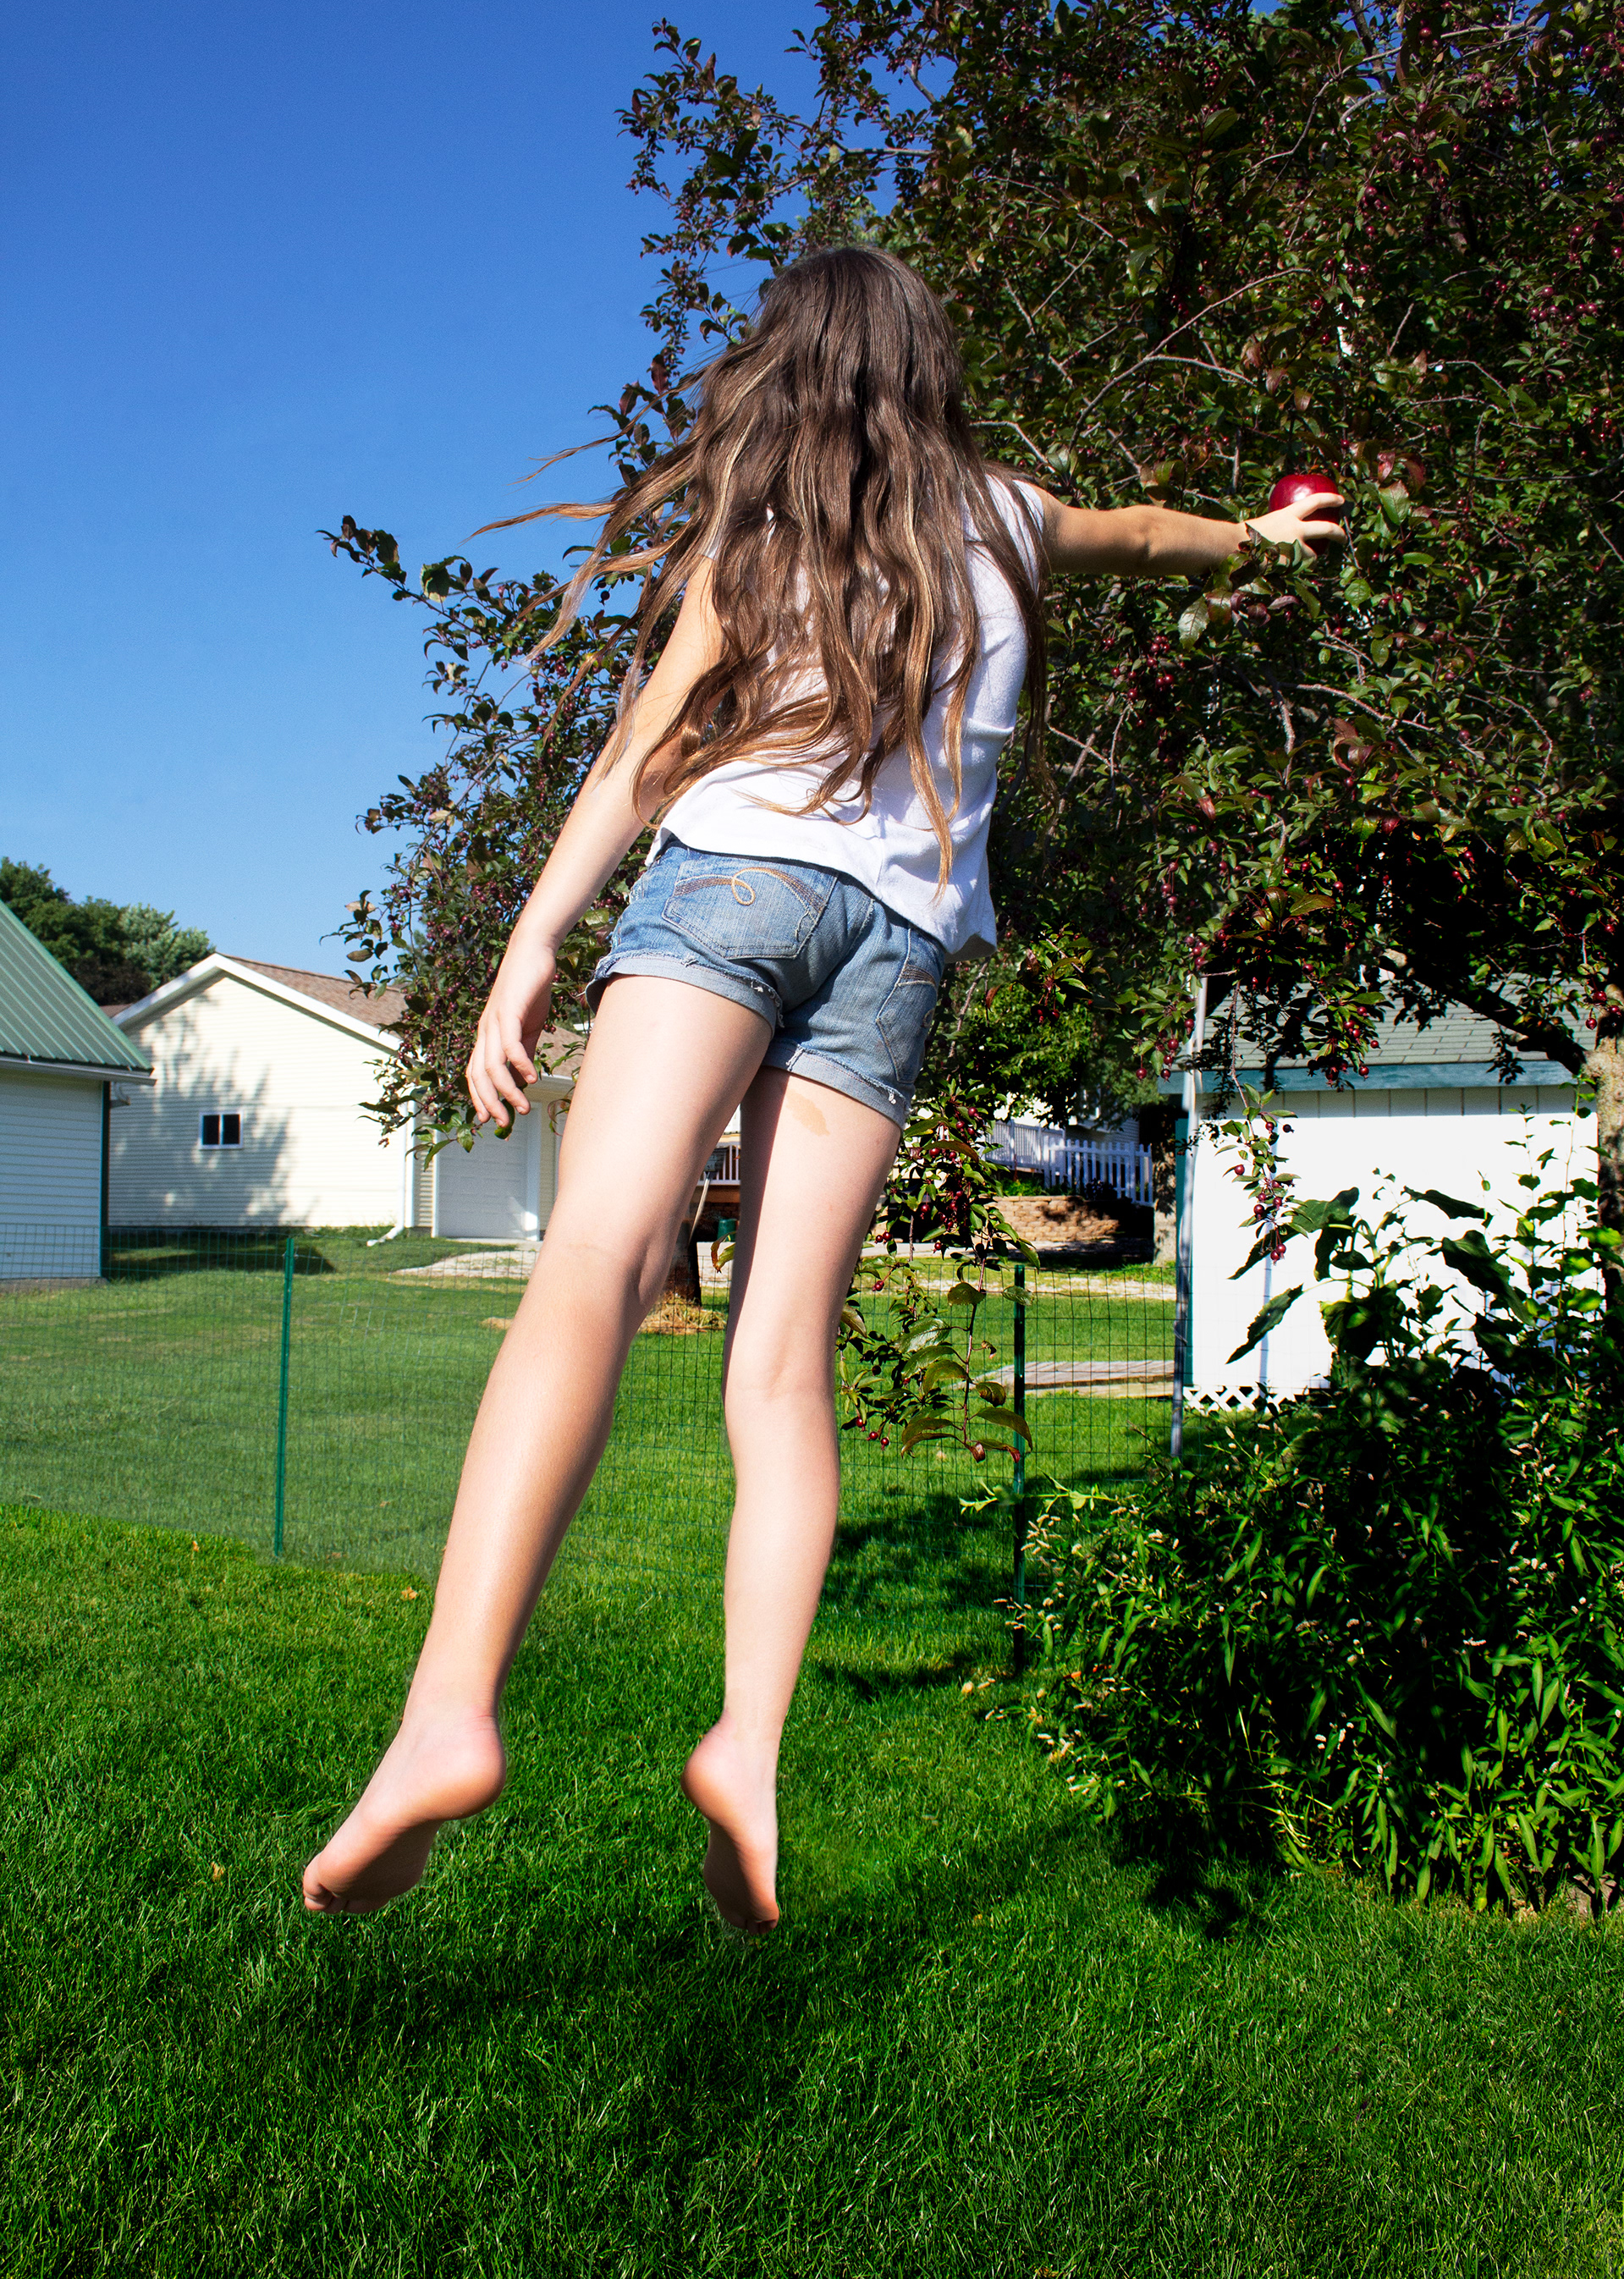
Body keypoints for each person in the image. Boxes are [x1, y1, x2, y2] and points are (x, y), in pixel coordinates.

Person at [302, 245, 1344, 1929]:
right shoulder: (1011, 518)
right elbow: (1154, 536)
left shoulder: (763, 538)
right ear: (928, 370)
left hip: (730, 887)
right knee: (784, 1366)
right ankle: (749, 1742)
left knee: (594, 1264)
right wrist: (1263, 539)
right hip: (898, 951)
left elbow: (643, 757)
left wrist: (531, 946)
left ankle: (449, 1716)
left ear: (790, 371)